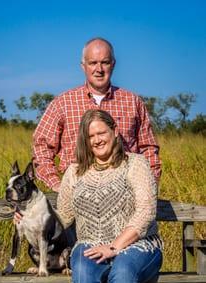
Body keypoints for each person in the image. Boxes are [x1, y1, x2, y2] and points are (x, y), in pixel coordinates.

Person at [57, 109, 163, 283]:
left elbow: (146, 211)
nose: (97, 139)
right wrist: (29, 219)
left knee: (123, 267)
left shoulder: (135, 164)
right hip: (91, 242)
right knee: (82, 265)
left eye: (101, 132)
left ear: (115, 132)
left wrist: (115, 246)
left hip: (139, 245)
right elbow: (61, 219)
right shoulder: (74, 173)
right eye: (90, 135)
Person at [33, 37, 161, 192]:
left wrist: (149, 186)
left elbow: (149, 150)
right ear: (83, 66)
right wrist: (56, 184)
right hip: (76, 192)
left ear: (113, 65)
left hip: (124, 193)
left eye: (105, 62)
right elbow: (41, 147)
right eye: (93, 63)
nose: (99, 69)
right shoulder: (63, 103)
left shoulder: (133, 102)